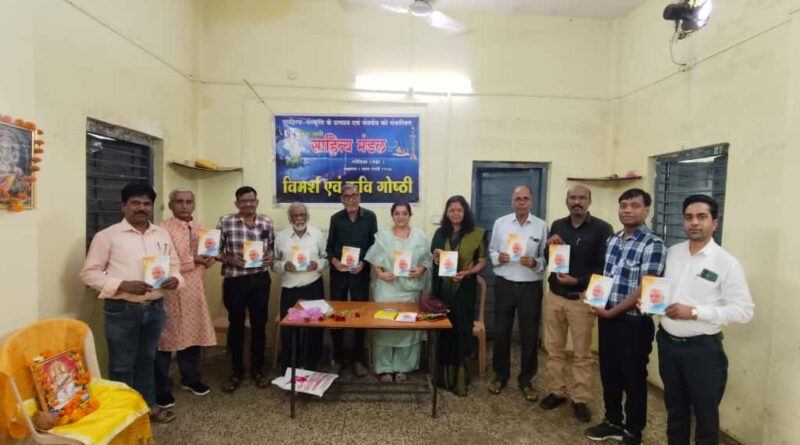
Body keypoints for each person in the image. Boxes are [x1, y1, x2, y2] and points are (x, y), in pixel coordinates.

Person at [80, 183, 183, 423]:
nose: (141, 208)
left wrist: (175, 279)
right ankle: (123, 416)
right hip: (122, 310)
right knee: (122, 365)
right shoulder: (107, 236)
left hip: (155, 308)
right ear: (123, 206)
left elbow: (175, 265)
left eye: (146, 203)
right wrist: (122, 285)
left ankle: (147, 408)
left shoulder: (161, 234)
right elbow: (88, 273)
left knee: (147, 360)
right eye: (135, 203)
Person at [658, 194, 754, 445]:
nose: (694, 222)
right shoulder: (673, 253)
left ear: (714, 223)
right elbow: (665, 291)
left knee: (705, 415)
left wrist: (696, 312)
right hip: (668, 344)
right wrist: (653, 303)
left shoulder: (726, 263)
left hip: (702, 350)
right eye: (689, 217)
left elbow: (744, 310)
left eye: (701, 217)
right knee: (675, 409)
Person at [585, 188, 666, 445]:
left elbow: (645, 286)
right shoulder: (613, 239)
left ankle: (633, 431)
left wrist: (612, 311)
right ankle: (612, 421)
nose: (627, 210)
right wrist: (593, 296)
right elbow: (607, 276)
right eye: (623, 205)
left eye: (634, 205)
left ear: (646, 210)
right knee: (609, 374)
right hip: (607, 318)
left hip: (633, 323)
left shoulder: (653, 244)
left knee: (633, 378)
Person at [541, 184, 613, 423]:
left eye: (582, 198)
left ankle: (580, 399)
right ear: (567, 201)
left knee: (582, 353)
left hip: (581, 299)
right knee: (554, 349)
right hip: (555, 296)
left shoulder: (602, 229)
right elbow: (550, 259)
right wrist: (549, 246)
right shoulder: (558, 225)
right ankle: (557, 391)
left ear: (589, 201)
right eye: (573, 197)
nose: (577, 202)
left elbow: (604, 267)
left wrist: (578, 281)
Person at [154, 189, 217, 410]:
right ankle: (161, 388)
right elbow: (160, 263)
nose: (184, 205)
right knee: (165, 339)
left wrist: (209, 259)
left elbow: (208, 257)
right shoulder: (161, 229)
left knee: (193, 334)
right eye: (179, 201)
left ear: (194, 205)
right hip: (171, 291)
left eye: (188, 202)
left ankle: (190, 378)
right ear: (171, 205)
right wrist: (194, 261)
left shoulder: (201, 228)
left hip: (195, 291)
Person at [487, 185, 548, 402]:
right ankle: (500, 376)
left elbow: (547, 258)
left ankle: (526, 380)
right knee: (501, 333)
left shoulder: (541, 226)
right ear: (512, 202)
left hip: (530, 286)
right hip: (505, 283)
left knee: (529, 335)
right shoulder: (501, 223)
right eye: (518, 199)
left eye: (525, 199)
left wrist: (535, 262)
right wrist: (498, 257)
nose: (521, 202)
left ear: (531, 202)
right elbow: (492, 250)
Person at [216, 186, 275, 393]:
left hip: (260, 279)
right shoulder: (225, 221)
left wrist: (269, 258)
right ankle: (236, 371)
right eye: (243, 201)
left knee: (260, 325)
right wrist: (228, 258)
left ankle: (258, 370)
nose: (248, 204)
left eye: (251, 200)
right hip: (236, 281)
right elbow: (213, 250)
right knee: (236, 326)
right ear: (237, 203)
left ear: (257, 202)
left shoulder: (266, 221)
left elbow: (272, 248)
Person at [365, 202, 431, 383]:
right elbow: (374, 258)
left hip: (410, 289)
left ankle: (404, 367)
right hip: (387, 288)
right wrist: (380, 274)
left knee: (407, 327)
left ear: (410, 215)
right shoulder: (383, 235)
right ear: (392, 215)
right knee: (385, 327)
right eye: (397, 213)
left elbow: (427, 259)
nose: (401, 217)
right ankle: (384, 367)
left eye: (404, 213)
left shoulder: (419, 236)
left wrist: (422, 269)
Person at [430, 195, 487, 396]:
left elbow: (482, 261)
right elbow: (434, 258)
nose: (455, 213)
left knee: (461, 330)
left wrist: (468, 272)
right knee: (444, 331)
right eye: (452, 210)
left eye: (459, 210)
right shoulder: (440, 233)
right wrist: (436, 259)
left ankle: (460, 380)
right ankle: (442, 378)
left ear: (465, 212)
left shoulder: (476, 233)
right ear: (447, 213)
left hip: (464, 290)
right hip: (442, 291)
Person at [326, 184, 378, 377]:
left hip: (360, 275)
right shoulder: (335, 219)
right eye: (347, 196)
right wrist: (334, 261)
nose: (351, 199)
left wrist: (363, 263)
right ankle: (338, 358)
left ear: (359, 197)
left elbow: (374, 246)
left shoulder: (370, 217)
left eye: (354, 195)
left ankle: (358, 359)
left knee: (359, 316)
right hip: (339, 275)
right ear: (342, 199)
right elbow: (329, 247)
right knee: (337, 316)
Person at [273, 202, 327, 372]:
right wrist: (284, 266)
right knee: (289, 329)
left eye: (302, 215)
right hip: (290, 288)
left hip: (313, 286)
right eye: (295, 215)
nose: (299, 218)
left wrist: (317, 264)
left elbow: (326, 258)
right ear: (290, 218)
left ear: (307, 216)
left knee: (314, 328)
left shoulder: (317, 234)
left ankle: (311, 365)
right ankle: (290, 367)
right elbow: (273, 263)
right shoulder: (281, 237)